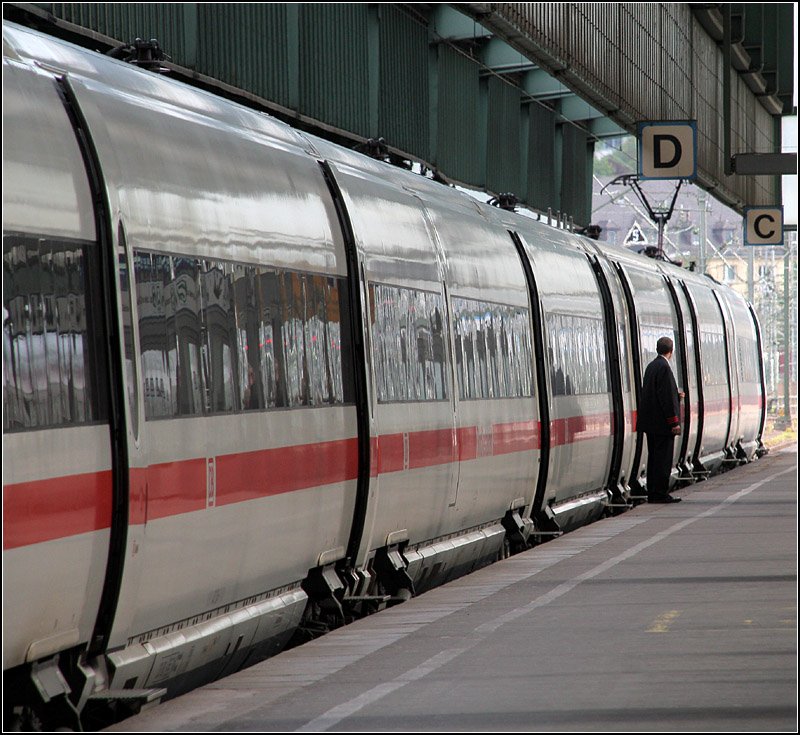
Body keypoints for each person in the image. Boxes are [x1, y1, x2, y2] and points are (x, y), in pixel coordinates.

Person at [638, 336, 684, 504]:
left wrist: (675, 396)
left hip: (651, 423)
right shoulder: (664, 368)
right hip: (662, 424)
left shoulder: (651, 366)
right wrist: (674, 423)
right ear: (670, 351)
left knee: (654, 458)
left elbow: (654, 394)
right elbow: (665, 398)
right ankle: (660, 493)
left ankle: (653, 492)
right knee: (663, 460)